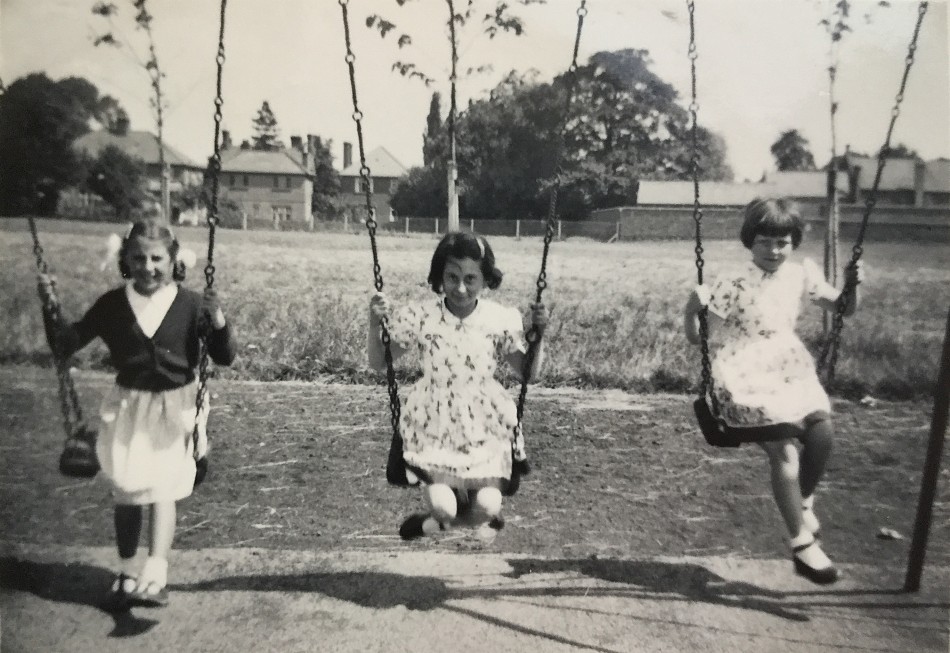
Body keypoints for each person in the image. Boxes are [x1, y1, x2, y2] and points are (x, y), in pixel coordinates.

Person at [38, 216, 237, 610]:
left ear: (173, 259)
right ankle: (127, 571)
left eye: (157, 258)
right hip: (129, 404)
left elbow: (224, 356)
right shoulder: (112, 305)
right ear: (126, 260)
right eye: (139, 258)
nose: (148, 267)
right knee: (128, 491)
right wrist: (50, 307)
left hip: (176, 404)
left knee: (163, 487)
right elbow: (66, 343)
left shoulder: (191, 303)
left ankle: (155, 574)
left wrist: (217, 320)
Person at [683, 197, 863, 585]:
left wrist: (853, 283)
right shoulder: (733, 283)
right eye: (764, 242)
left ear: (794, 243)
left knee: (822, 432)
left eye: (782, 242)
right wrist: (689, 311)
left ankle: (803, 501)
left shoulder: (802, 275)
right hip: (744, 368)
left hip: (788, 364)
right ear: (751, 242)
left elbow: (845, 308)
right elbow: (701, 338)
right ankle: (801, 543)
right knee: (783, 449)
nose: (773, 251)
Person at [368, 232, 548, 541]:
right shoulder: (421, 316)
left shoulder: (499, 319)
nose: (461, 288)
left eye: (470, 278)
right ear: (439, 276)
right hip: (433, 422)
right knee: (444, 507)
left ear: (484, 279)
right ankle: (438, 519)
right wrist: (375, 325)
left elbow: (528, 374)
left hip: (484, 424)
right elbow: (379, 362)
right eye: (452, 277)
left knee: (488, 508)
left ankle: (432, 526)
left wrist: (539, 334)